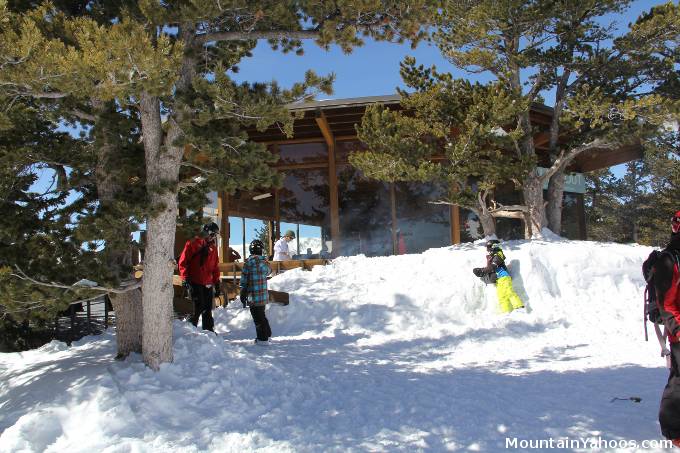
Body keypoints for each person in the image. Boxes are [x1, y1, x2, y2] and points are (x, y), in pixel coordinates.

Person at [653, 211, 680, 446]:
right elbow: (666, 303)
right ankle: (674, 432)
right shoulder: (670, 259)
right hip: (679, 331)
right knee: (679, 381)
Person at [178, 222, 222, 332]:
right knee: (197, 306)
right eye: (212, 234)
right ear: (206, 232)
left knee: (207, 308)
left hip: (207, 282)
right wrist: (185, 278)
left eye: (215, 235)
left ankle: (208, 331)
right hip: (195, 280)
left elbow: (215, 267)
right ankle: (190, 331)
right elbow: (183, 262)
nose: (213, 237)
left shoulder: (213, 248)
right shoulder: (193, 243)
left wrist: (216, 283)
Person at [479, 239, 524, 313]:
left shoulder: (498, 254)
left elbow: (494, 266)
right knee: (502, 297)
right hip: (498, 280)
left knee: (509, 292)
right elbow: (490, 268)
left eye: (488, 247)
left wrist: (482, 271)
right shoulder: (492, 256)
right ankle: (507, 312)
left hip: (504, 277)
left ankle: (519, 307)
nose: (488, 249)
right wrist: (481, 271)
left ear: (493, 247)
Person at [240, 239, 272, 344]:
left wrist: (242, 292)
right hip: (263, 296)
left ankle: (262, 339)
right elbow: (269, 271)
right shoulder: (264, 263)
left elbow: (244, 280)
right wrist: (267, 262)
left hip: (253, 296)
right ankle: (267, 334)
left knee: (258, 318)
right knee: (261, 315)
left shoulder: (248, 263)